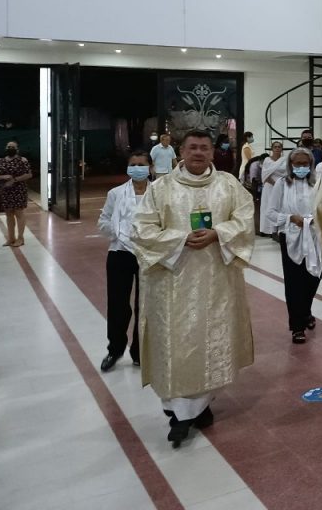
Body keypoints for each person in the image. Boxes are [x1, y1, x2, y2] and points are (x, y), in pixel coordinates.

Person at [131, 130, 255, 448]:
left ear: (213, 152)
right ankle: (182, 415)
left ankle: (199, 407)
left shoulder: (228, 185)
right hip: (173, 283)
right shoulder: (161, 188)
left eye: (204, 147)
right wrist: (179, 238)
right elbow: (142, 228)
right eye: (192, 147)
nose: (198, 152)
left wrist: (217, 233)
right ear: (180, 152)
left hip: (216, 282)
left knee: (210, 342)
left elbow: (244, 219)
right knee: (178, 344)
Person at [97, 150, 151, 372]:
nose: (137, 168)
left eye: (141, 164)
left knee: (145, 304)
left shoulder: (159, 193)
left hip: (149, 254)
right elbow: (103, 221)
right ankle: (115, 349)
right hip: (120, 253)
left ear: (150, 167)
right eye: (133, 164)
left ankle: (140, 351)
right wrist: (119, 231)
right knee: (118, 304)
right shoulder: (116, 193)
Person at [265, 147, 322, 344]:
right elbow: (271, 213)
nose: (301, 167)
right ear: (290, 165)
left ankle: (305, 311)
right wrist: (291, 218)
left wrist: (317, 219)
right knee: (294, 282)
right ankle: (297, 327)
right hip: (291, 236)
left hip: (315, 237)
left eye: (305, 164)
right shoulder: (282, 184)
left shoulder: (317, 184)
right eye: (297, 164)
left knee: (314, 277)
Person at [0, 139, 33, 247]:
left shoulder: (22, 160)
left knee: (19, 213)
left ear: (17, 149)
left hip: (19, 191)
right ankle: (11, 238)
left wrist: (14, 180)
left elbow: (29, 174)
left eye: (12, 147)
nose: (10, 148)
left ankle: (20, 238)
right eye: (8, 147)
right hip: (5, 192)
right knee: (8, 215)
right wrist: (2, 177)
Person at [259, 141, 287, 236]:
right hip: (269, 186)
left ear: (281, 148)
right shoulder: (267, 160)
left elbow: (286, 173)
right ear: (272, 149)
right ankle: (268, 230)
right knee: (268, 207)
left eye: (279, 147)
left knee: (279, 206)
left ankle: (278, 229)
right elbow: (265, 175)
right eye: (275, 147)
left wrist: (279, 184)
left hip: (282, 187)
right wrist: (275, 184)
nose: (277, 148)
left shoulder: (285, 160)